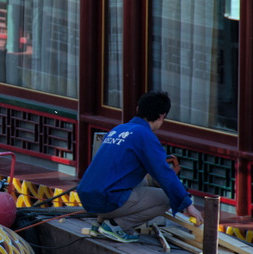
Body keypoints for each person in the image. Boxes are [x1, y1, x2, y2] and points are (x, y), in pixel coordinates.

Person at [76, 91, 204, 243]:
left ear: (138, 109)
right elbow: (164, 173)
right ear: (162, 116)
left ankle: (98, 224)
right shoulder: (144, 135)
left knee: (141, 183)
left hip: (87, 195)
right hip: (107, 199)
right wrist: (187, 204)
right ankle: (118, 227)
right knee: (167, 198)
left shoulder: (119, 129)